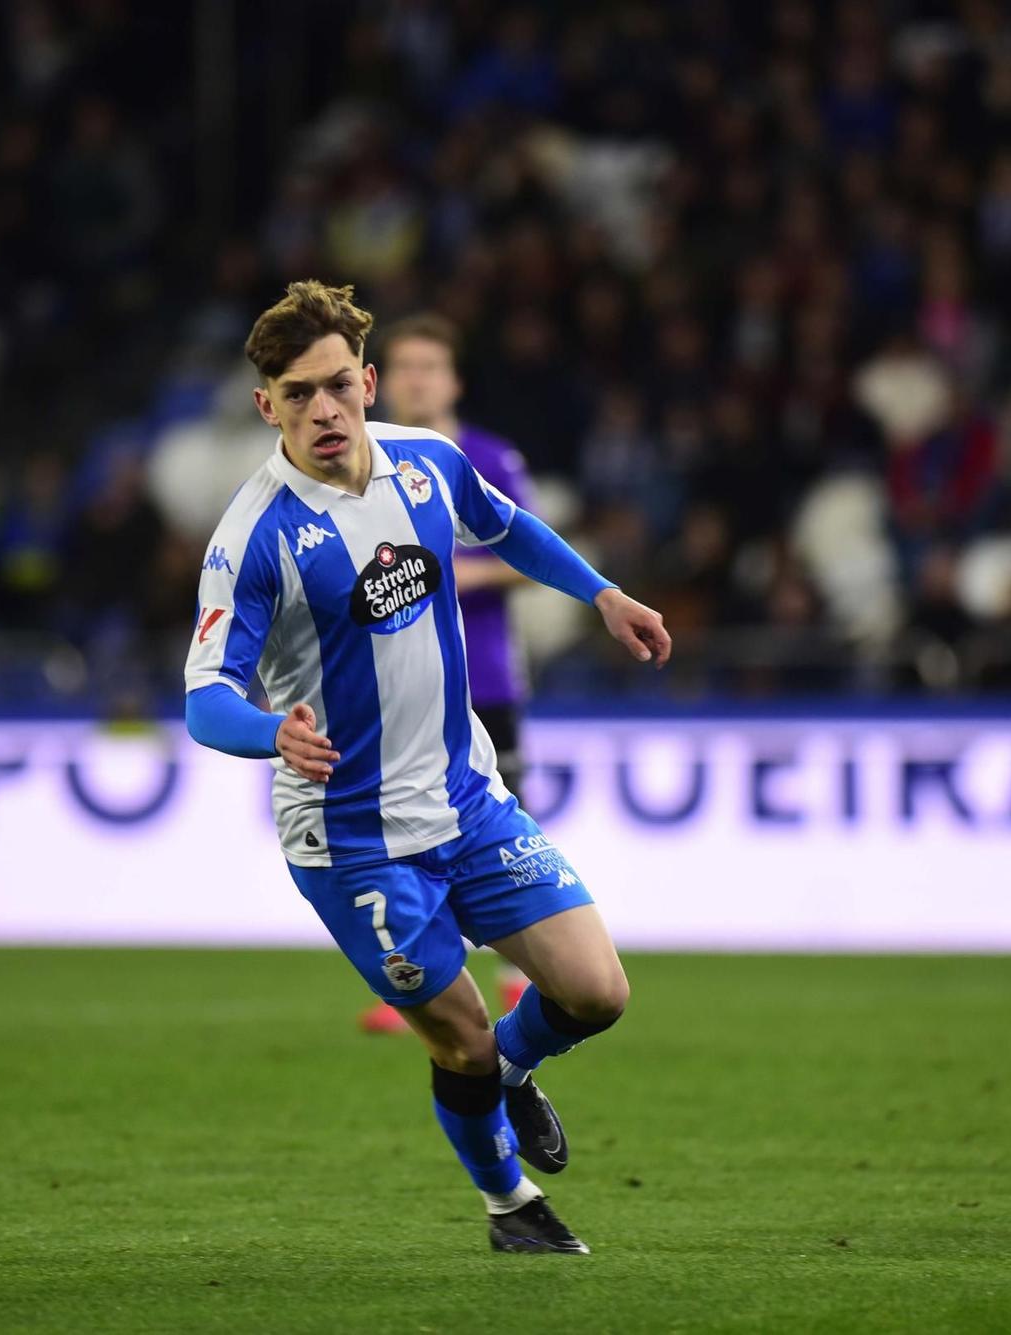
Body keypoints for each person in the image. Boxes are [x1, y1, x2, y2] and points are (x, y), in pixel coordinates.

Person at [184, 280, 670, 1252]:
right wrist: (271, 731)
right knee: (461, 1033)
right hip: (353, 839)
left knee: (595, 994)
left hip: (466, 798)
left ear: (367, 382)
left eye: (335, 386)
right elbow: (204, 701)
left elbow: (507, 526)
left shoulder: (427, 462)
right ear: (264, 406)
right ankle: (509, 1206)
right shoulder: (253, 539)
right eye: (295, 394)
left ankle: (513, 1078)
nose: (322, 410)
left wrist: (600, 593)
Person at [359, 312, 539, 1036]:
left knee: (505, 823)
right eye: (404, 366)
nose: (416, 379)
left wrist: (447, 575)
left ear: (454, 379)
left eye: (430, 366)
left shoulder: (488, 458)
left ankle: (521, 979)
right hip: (398, 680)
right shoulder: (362, 459)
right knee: (403, 825)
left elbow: (530, 553)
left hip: (484, 675)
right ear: (381, 380)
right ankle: (427, 981)